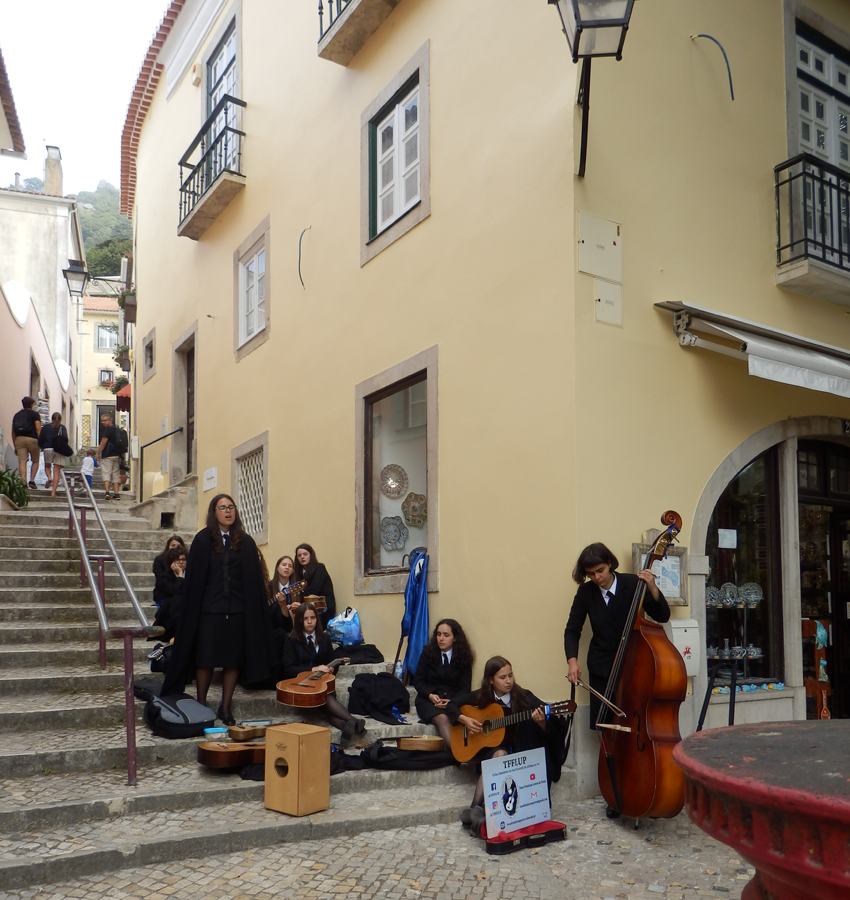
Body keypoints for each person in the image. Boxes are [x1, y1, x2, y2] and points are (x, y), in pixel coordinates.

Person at [563, 542, 671, 818]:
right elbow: (572, 629)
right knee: (610, 733)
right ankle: (615, 795)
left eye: (600, 570)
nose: (597, 577)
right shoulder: (586, 593)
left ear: (610, 564)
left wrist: (653, 589)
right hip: (601, 668)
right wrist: (572, 661)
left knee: (638, 728)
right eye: (591, 574)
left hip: (634, 665)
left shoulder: (634, 583)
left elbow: (662, 615)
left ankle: (648, 786)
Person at [160, 494, 276, 726]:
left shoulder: (245, 541)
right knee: (206, 659)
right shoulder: (203, 540)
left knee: (232, 660)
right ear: (214, 512)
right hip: (209, 611)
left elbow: (252, 580)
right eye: (222, 507)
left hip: (237, 610)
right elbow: (195, 581)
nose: (228, 511)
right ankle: (202, 705)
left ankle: (225, 707)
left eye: (231, 507)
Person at [455, 657, 567, 836]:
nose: (508, 681)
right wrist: (464, 719)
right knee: (498, 754)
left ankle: (478, 813)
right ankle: (474, 807)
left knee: (502, 754)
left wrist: (542, 724)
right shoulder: (483, 696)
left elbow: (551, 726)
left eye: (510, 675)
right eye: (502, 677)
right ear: (491, 680)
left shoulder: (524, 697)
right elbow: (453, 705)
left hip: (518, 749)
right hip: (491, 748)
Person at [281, 602, 366, 741]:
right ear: (299, 620)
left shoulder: (325, 638)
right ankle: (355, 721)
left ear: (317, 619)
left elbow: (332, 660)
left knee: (323, 698)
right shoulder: (291, 639)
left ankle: (345, 726)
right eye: (305, 618)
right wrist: (313, 669)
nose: (309, 622)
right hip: (302, 684)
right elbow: (288, 669)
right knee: (323, 699)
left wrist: (332, 669)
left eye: (313, 618)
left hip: (322, 682)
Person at [413, 619, 474, 751]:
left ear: (455, 638)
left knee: (459, 716)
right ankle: (456, 753)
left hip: (453, 700)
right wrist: (430, 695)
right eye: (439, 634)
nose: (441, 639)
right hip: (428, 701)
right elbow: (418, 681)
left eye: (446, 635)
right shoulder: (428, 652)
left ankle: (468, 751)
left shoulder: (464, 657)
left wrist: (451, 702)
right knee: (443, 719)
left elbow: (465, 688)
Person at [295, 543, 336, 624]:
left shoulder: (319, 568)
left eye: (305, 554)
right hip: (307, 609)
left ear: (311, 555)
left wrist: (298, 593)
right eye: (299, 555)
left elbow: (314, 588)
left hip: (323, 609)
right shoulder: (299, 572)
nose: (302, 557)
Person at [11, 397, 41, 489]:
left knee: (22, 461)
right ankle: (32, 481)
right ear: (32, 404)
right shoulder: (35, 414)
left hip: (19, 439)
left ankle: (23, 482)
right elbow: (38, 428)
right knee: (35, 461)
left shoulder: (17, 415)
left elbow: (13, 431)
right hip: (33, 439)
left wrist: (15, 444)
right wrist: (41, 441)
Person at [39, 413, 71, 497]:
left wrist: (42, 446)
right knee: (56, 471)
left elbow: (40, 438)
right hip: (59, 450)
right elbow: (65, 440)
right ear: (60, 419)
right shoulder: (62, 427)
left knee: (47, 466)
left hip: (48, 448)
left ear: (51, 418)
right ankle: (53, 492)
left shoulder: (46, 427)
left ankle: (49, 477)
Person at [269, 555, 303, 634]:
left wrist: (300, 607)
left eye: (290, 566)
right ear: (277, 568)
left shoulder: (298, 588)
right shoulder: (268, 587)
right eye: (284, 565)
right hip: (274, 627)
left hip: (293, 627)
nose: (287, 567)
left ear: (293, 571)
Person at [96, 414, 121, 500]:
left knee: (106, 473)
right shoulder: (118, 430)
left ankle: (107, 492)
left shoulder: (108, 430)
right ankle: (116, 493)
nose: (103, 422)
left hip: (108, 455)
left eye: (105, 420)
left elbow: (103, 443)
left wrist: (98, 453)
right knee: (116, 474)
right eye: (102, 421)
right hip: (117, 455)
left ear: (111, 420)